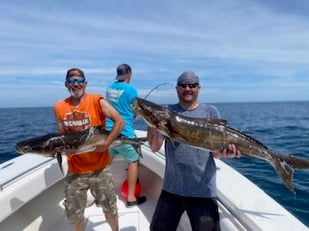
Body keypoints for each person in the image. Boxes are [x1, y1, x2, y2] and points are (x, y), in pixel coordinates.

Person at [147, 71, 241, 231]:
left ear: (199, 88)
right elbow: (154, 147)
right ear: (177, 89)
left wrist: (226, 153)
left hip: (203, 191)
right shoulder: (166, 112)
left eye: (192, 85)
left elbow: (215, 154)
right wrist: (153, 125)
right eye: (183, 85)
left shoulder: (210, 112)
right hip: (172, 189)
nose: (187, 88)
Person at [54, 68, 125, 231]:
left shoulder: (96, 100)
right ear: (66, 84)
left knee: (110, 209)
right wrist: (55, 151)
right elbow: (62, 138)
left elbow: (119, 122)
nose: (76, 84)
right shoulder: (59, 107)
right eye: (72, 81)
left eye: (79, 81)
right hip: (75, 170)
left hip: (100, 169)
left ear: (85, 84)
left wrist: (106, 143)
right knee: (75, 214)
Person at [106, 64, 146, 207]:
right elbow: (136, 110)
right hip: (124, 133)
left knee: (105, 164)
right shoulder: (131, 90)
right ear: (129, 74)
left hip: (109, 133)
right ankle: (130, 198)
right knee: (133, 161)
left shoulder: (109, 89)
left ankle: (102, 196)